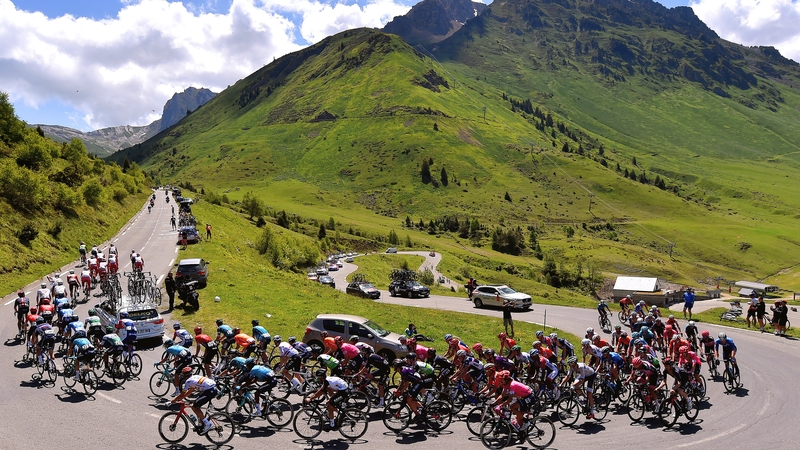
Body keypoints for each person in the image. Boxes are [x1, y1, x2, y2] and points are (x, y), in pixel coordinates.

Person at [171, 369, 218, 434]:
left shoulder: (188, 381)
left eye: (183, 374)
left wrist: (173, 401)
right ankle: (200, 425)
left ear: (185, 375)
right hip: (211, 388)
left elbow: (182, 394)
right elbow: (190, 391)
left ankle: (208, 424)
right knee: (196, 405)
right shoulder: (194, 377)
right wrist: (180, 398)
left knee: (194, 407)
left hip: (210, 391)